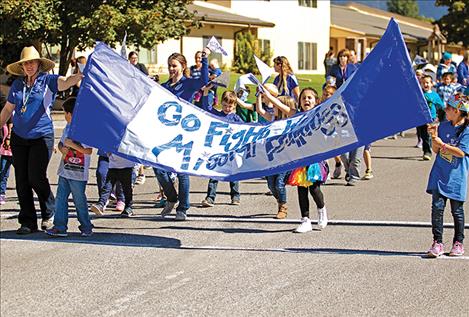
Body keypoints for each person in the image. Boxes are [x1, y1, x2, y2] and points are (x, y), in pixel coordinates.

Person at [1, 46, 83, 234]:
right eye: (25, 63)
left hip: (41, 136)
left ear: (39, 64)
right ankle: (28, 222)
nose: (29, 66)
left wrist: (76, 77)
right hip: (19, 137)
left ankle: (49, 212)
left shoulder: (48, 81)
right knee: (22, 180)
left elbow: (64, 82)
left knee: (35, 177)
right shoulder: (17, 85)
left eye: (32, 62)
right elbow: (7, 110)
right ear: (21, 67)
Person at [155, 47, 210, 221]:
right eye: (170, 66)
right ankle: (171, 198)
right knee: (158, 168)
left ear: (183, 66)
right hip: (165, 133)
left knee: (181, 172)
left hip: (184, 133)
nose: (171, 69)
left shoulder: (188, 83)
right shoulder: (164, 87)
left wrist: (205, 59)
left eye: (175, 65)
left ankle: (183, 207)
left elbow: (204, 79)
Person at [426, 93, 469, 257]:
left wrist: (442, 144)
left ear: (458, 111)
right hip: (439, 174)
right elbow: (435, 150)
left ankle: (458, 242)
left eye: (449, 108)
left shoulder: (466, 130)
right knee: (437, 208)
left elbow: (461, 153)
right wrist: (434, 138)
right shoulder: (443, 126)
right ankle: (437, 242)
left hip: (457, 176)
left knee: (457, 211)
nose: (446, 110)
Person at [46, 97, 93, 237]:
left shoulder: (85, 129)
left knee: (79, 200)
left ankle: (86, 226)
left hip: (78, 172)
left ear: (71, 114)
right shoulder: (67, 127)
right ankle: (60, 227)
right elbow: (62, 143)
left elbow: (88, 151)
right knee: (60, 198)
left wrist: (72, 145)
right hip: (65, 169)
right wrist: (62, 148)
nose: (64, 116)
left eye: (65, 113)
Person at [292, 87, 328, 232]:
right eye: (303, 98)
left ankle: (322, 210)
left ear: (316, 101)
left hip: (315, 158)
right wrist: (267, 95)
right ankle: (305, 220)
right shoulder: (296, 116)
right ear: (299, 102)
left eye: (309, 97)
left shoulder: (319, 115)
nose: (306, 100)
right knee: (301, 189)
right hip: (300, 158)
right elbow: (280, 106)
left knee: (314, 188)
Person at [199, 87, 243, 207]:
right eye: (224, 105)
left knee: (233, 173)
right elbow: (206, 107)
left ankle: (235, 196)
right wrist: (206, 92)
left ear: (234, 106)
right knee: (215, 173)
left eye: (229, 106)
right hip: (218, 149)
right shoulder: (217, 115)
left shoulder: (236, 118)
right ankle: (210, 197)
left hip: (232, 150)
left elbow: (245, 130)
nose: (227, 109)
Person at [91, 153, 136, 217]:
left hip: (127, 167)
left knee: (126, 189)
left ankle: (128, 207)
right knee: (107, 187)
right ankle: (101, 204)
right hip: (113, 166)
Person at [420, 74, 445, 161]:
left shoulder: (435, 95)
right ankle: (426, 149)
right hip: (421, 118)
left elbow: (441, 106)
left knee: (428, 135)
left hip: (431, 118)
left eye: (427, 83)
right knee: (423, 135)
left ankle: (427, 152)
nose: (425, 85)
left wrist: (442, 116)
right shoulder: (420, 94)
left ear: (431, 84)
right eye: (423, 83)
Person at [0, 91, 13, 205]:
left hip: (9, 147)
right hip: (5, 147)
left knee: (4, 170)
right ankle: (1, 193)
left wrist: (8, 137)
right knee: (3, 170)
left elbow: (10, 123)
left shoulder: (9, 111)